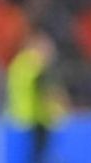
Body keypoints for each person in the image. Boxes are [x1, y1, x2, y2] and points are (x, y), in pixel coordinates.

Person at [7, 32, 66, 163]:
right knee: (39, 155)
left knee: (26, 155)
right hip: (37, 119)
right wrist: (57, 109)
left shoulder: (18, 63)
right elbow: (46, 91)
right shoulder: (37, 66)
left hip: (19, 117)